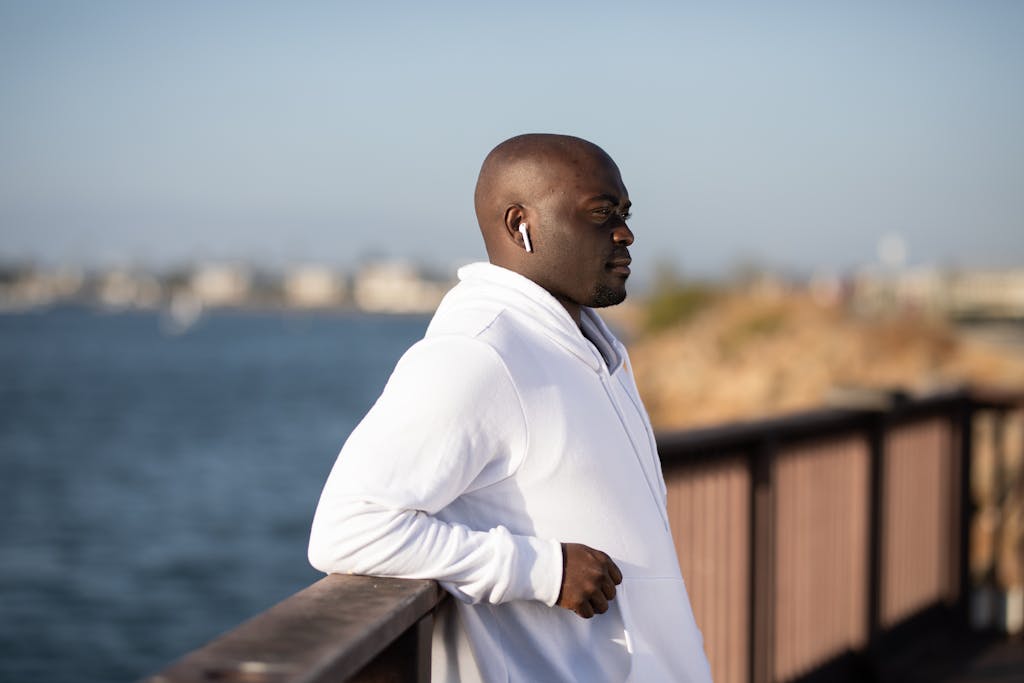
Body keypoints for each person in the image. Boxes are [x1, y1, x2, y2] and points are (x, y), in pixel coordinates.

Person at [308, 134, 712, 682]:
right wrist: (543, 570)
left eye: (623, 212)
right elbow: (349, 529)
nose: (625, 232)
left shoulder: (589, 348)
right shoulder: (477, 355)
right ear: (520, 223)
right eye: (601, 213)